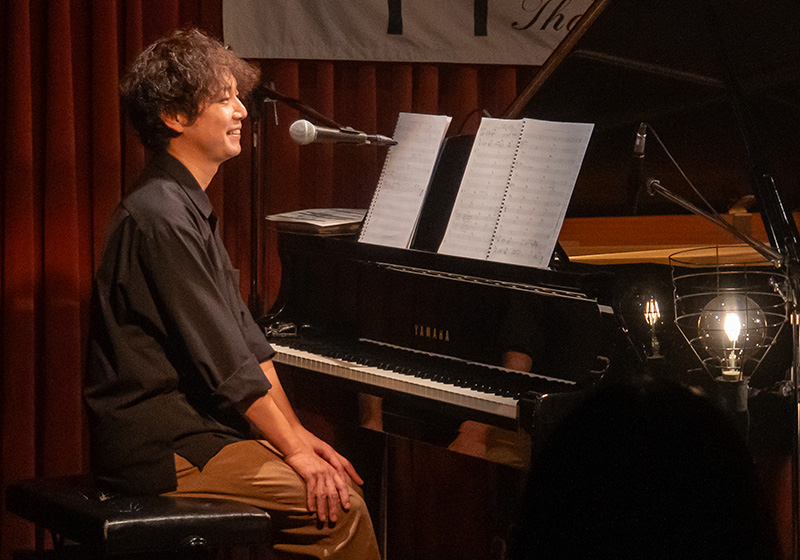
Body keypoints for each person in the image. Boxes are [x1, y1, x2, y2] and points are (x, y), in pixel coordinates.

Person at [84, 28, 381, 560]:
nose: (243, 110)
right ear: (175, 116)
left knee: (335, 487)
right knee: (341, 509)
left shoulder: (185, 206)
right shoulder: (160, 216)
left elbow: (250, 346)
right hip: (164, 446)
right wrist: (295, 452)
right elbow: (225, 363)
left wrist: (298, 436)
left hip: (201, 429)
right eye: (224, 99)